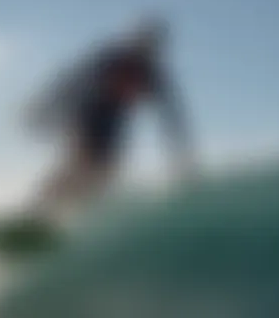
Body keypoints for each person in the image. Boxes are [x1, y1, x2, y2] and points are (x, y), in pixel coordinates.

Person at [24, 15, 194, 216]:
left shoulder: (153, 74)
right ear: (137, 38)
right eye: (143, 40)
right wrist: (44, 108)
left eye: (151, 43)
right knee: (78, 166)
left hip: (114, 129)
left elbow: (171, 116)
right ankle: (34, 212)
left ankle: (61, 219)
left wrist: (181, 156)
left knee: (102, 178)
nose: (146, 46)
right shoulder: (112, 58)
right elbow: (72, 80)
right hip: (87, 118)